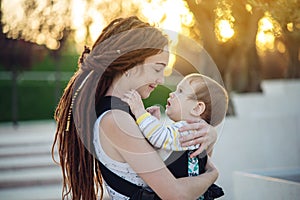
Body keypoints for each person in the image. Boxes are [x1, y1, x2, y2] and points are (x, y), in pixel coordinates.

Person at [52, 16, 219, 200]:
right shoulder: (116, 120)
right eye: (157, 69)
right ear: (129, 63)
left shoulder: (124, 114)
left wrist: (208, 138)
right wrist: (212, 175)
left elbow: (189, 168)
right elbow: (176, 194)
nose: (161, 80)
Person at [122, 73, 228, 199]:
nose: (172, 94)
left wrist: (139, 111)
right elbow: (163, 144)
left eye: (180, 91)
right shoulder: (193, 133)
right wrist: (155, 121)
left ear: (197, 108)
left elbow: (159, 137)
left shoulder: (188, 130)